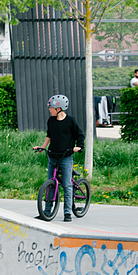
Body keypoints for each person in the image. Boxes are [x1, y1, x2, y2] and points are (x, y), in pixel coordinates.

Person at [33, 94, 84, 222]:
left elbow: (80, 135)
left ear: (58, 108)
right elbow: (49, 136)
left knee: (66, 185)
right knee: (51, 184)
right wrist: (43, 147)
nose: (49, 109)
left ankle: (67, 213)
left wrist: (79, 147)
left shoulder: (70, 121)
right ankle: (46, 212)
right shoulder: (51, 121)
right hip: (52, 156)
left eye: (51, 107)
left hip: (66, 157)